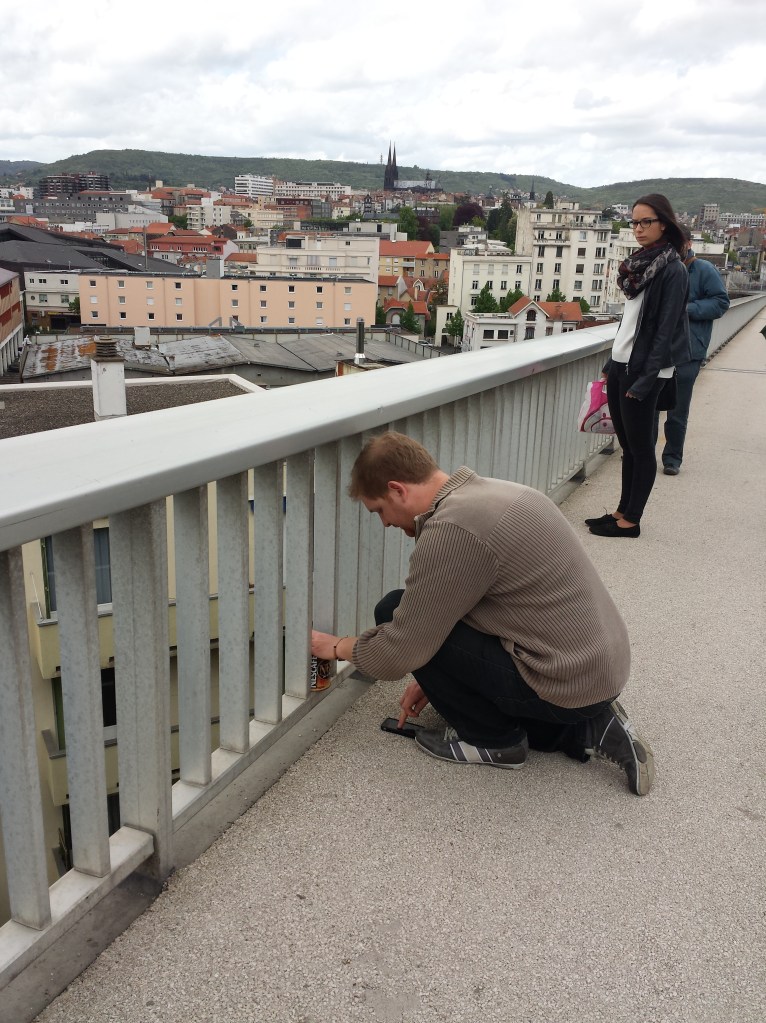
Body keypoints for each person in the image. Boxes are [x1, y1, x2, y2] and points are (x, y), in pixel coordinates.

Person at [311, 432, 655, 796]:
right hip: (599, 668)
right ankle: (591, 725)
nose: (384, 523)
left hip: (563, 681)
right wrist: (439, 678)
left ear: (397, 489)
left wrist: (336, 647)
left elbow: (400, 651)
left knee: (392, 610)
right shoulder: (499, 492)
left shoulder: (453, 529)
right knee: (422, 620)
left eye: (378, 509)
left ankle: (495, 742)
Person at [586, 194, 690, 538]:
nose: (639, 228)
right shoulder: (641, 264)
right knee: (628, 446)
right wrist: (610, 361)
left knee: (642, 448)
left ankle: (631, 521)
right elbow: (630, 321)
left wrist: (645, 379)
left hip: (646, 369)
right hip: (622, 363)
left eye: (646, 221)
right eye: (634, 222)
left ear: (664, 223)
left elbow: (666, 329)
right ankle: (621, 511)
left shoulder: (672, 268)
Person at [655, 225, 730, 475]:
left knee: (677, 409)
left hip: (688, 351)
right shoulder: (661, 267)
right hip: (659, 349)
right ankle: (643, 454)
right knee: (649, 405)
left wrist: (686, 309)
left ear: (687, 243)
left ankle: (672, 459)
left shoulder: (704, 269)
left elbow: (720, 303)